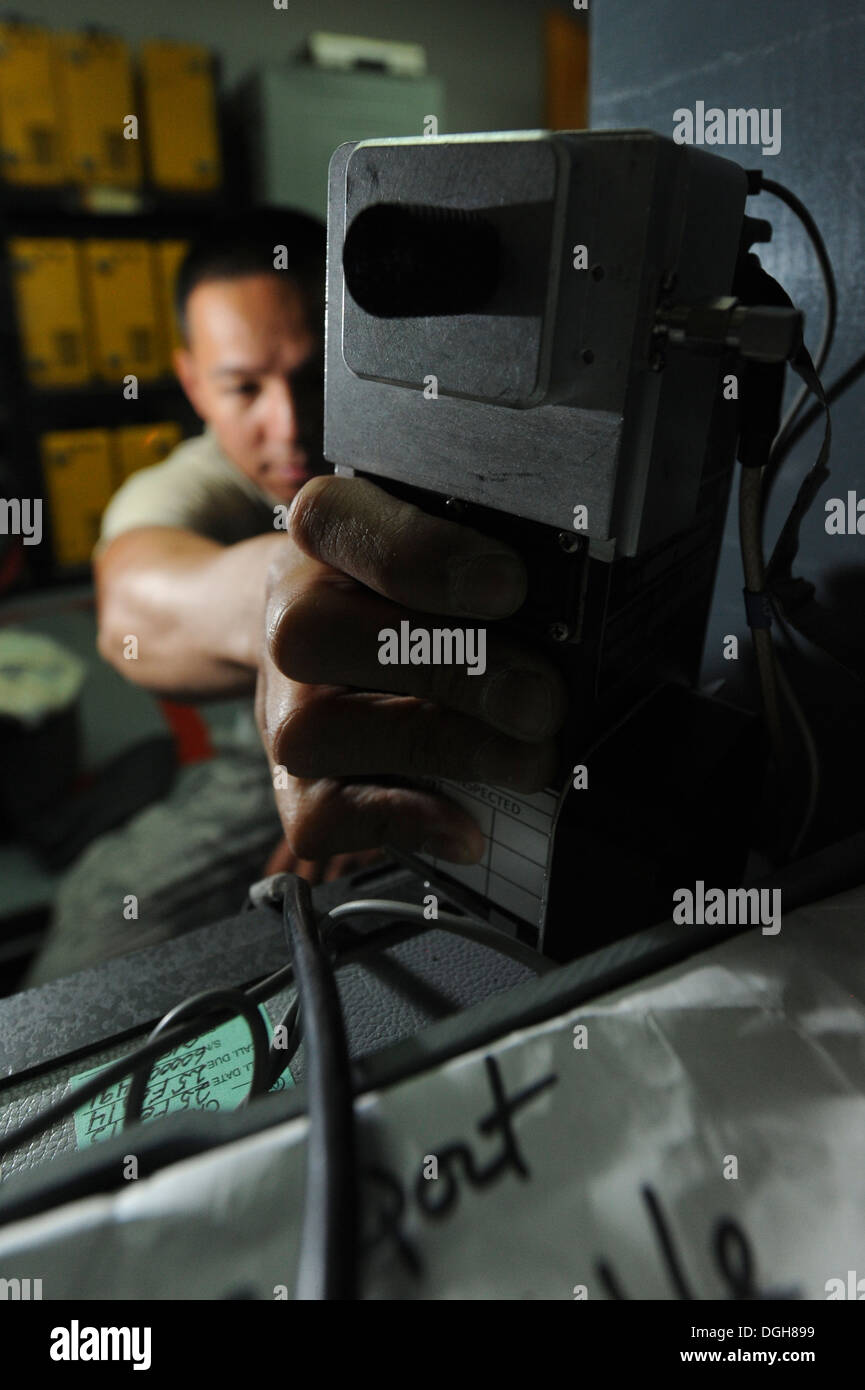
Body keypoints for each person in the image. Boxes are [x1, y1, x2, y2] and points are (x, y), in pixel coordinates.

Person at [25, 208, 566, 986]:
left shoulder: (435, 431)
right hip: (252, 781)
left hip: (458, 756)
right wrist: (287, 587)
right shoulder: (192, 482)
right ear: (190, 381)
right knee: (102, 928)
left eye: (313, 376)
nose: (287, 424)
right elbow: (134, 605)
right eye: (243, 387)